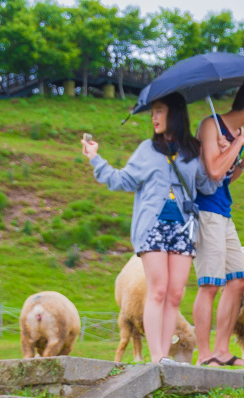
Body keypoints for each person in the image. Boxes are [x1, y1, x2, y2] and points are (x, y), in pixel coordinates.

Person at [81, 92, 218, 364]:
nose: (154, 117)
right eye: (153, 112)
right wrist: (95, 158)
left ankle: (163, 353)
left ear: (175, 113)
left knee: (175, 293)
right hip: (152, 228)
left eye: (159, 111)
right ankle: (158, 358)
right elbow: (122, 180)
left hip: (182, 228)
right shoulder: (147, 149)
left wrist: (225, 154)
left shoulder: (193, 151)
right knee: (158, 290)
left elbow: (208, 186)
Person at [193, 80, 244, 366]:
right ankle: (205, 356)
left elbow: (226, 178)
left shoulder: (237, 132)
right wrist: (239, 143)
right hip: (205, 211)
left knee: (239, 281)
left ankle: (223, 352)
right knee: (210, 284)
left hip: (224, 210)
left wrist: (241, 165)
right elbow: (213, 171)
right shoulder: (210, 126)